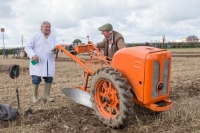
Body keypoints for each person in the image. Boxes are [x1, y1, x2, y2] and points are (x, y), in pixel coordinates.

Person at [25, 21, 58, 103]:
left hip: (49, 61)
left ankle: (47, 95)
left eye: (49, 27)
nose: (48, 29)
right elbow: (27, 47)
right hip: (36, 61)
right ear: (41, 27)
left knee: (49, 79)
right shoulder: (35, 35)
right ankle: (35, 96)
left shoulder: (53, 36)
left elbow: (57, 46)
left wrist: (56, 50)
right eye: (46, 27)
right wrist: (33, 55)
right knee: (36, 79)